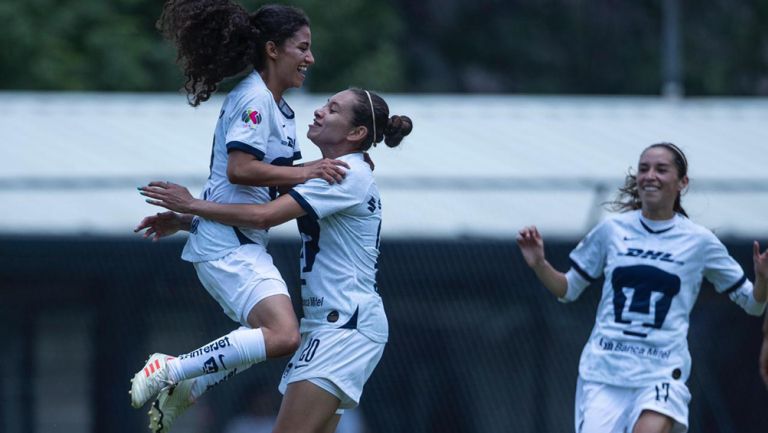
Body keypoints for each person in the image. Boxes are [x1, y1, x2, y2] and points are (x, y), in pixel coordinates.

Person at [129, 1, 349, 432]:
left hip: (232, 242)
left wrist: (191, 219)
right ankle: (172, 369)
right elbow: (240, 169)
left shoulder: (279, 109)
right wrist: (307, 171)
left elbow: (252, 189)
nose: (310, 58)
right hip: (229, 248)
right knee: (284, 336)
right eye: (302, 47)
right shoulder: (254, 98)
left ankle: (187, 387)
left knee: (272, 339)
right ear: (272, 49)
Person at [139, 87, 412, 433]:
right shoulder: (334, 171)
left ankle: (174, 371)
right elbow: (263, 191)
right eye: (326, 104)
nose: (319, 111)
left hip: (344, 326)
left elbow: (263, 216)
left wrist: (191, 205)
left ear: (356, 133)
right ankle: (185, 378)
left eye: (333, 109)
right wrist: (189, 222)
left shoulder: (344, 174)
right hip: (337, 325)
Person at [516, 142, 767, 433]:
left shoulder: (699, 242)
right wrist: (539, 263)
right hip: (604, 373)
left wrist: (763, 281)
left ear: (682, 183)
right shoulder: (612, 230)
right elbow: (568, 289)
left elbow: (754, 303)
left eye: (662, 169)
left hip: (661, 374)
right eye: (644, 168)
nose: (650, 175)